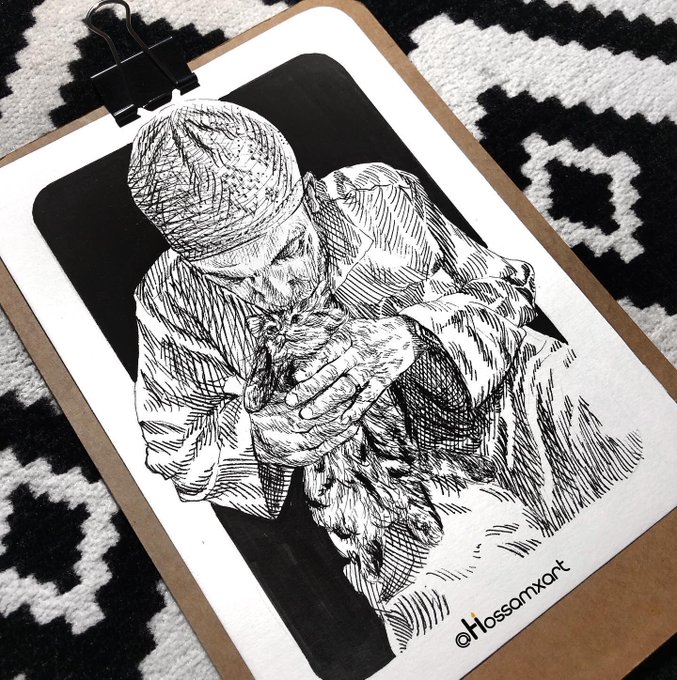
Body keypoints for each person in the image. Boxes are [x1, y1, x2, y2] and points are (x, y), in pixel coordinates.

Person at [128, 99, 641, 651]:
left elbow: (508, 291)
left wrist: (415, 333)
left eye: (287, 252)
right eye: (235, 280)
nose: (272, 290)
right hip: (383, 510)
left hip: (527, 422)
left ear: (308, 194)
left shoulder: (382, 197)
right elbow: (173, 451)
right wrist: (262, 438)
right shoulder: (169, 300)